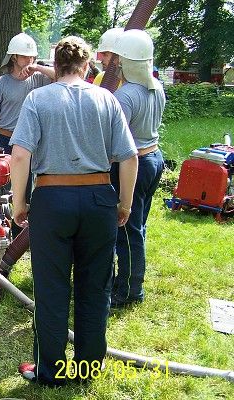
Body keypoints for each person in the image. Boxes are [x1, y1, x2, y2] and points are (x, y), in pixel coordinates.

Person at [9, 36, 138, 387]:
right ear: (85, 66)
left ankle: (50, 372)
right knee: (95, 287)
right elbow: (129, 157)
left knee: (51, 288)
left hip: (52, 200)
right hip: (99, 200)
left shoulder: (38, 99)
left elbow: (19, 156)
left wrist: (19, 202)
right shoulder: (107, 99)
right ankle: (88, 368)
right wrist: (124, 204)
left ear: (56, 64)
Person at [110, 30, 166, 308]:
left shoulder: (125, 95)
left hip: (134, 164)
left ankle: (129, 289)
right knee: (138, 226)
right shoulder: (157, 87)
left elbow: (117, 140)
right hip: (154, 158)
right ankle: (130, 281)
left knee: (127, 228)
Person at [0, 32, 55, 153]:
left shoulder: (39, 78)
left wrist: (38, 67)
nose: (29, 60)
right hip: (5, 139)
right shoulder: (0, 83)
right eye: (24, 56)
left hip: (30, 140)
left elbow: (60, 76)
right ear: (14, 57)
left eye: (32, 57)